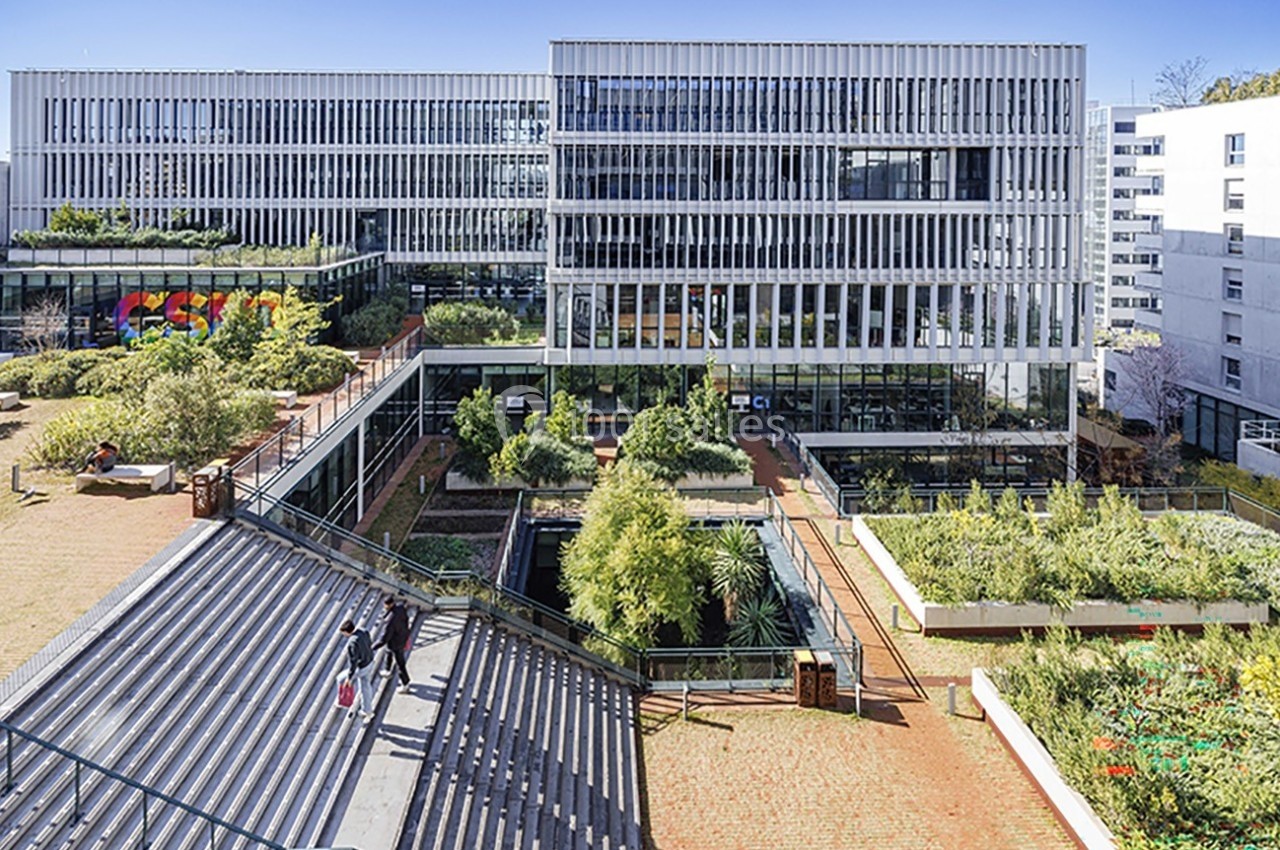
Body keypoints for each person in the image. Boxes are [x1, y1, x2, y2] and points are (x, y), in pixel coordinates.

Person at [337, 619, 375, 723]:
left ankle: (342, 699)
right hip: (370, 662)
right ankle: (367, 711)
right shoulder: (364, 631)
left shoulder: (352, 643)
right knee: (365, 686)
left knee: (340, 678)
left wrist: (349, 678)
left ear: (347, 632)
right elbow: (370, 643)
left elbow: (353, 662)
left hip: (362, 667)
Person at [373, 596, 411, 694]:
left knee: (400, 663)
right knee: (388, 651)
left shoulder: (390, 620)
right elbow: (406, 620)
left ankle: (405, 684)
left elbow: (384, 638)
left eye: (385, 605)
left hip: (396, 643)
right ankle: (387, 669)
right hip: (402, 637)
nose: (384, 606)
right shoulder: (401, 608)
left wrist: (373, 647)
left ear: (388, 605)